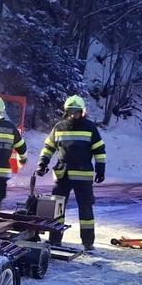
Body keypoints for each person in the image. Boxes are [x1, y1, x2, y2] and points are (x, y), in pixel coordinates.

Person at [36, 95, 106, 250]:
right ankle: (55, 239)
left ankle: (88, 242)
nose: (73, 115)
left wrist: (101, 169)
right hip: (63, 175)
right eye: (71, 111)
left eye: (76, 112)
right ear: (66, 112)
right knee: (57, 209)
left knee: (86, 208)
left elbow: (99, 150)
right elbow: (48, 148)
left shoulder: (90, 128)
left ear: (83, 112)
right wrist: (42, 163)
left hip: (82, 177)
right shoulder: (59, 127)